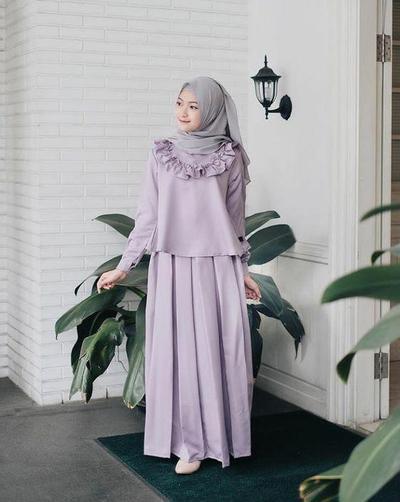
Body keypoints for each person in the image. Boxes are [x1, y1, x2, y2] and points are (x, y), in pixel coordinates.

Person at [97, 76, 261, 474]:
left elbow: (235, 220)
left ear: (213, 110)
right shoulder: (161, 153)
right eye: (179, 103)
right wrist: (124, 266)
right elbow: (148, 215)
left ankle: (221, 439)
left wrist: (242, 270)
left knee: (221, 350)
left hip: (218, 267)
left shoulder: (230, 156)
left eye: (193, 105)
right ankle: (190, 445)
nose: (183, 112)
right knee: (181, 353)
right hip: (172, 265)